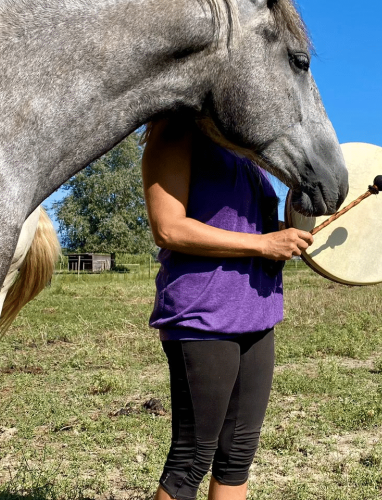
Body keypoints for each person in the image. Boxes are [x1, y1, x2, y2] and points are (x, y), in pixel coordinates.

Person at [141, 118, 314, 500]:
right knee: (190, 462)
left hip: (257, 313)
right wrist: (263, 245)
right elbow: (168, 228)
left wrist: (286, 234)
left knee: (237, 456)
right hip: (203, 315)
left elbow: (245, 226)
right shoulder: (175, 132)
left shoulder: (244, 151)